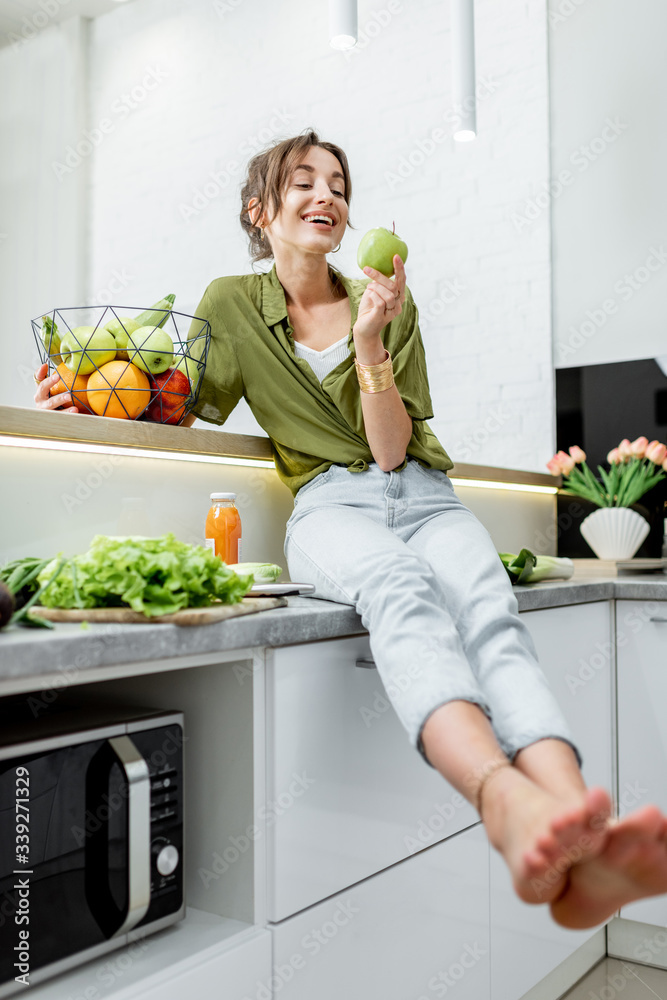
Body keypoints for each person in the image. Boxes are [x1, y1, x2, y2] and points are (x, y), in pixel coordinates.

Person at [34, 128, 667, 929]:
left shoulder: (384, 300)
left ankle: (583, 834)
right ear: (259, 211)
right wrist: (78, 395)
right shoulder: (231, 302)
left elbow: (391, 446)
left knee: (486, 608)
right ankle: (505, 803)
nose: (325, 194)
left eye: (336, 182)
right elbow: (175, 410)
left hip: (423, 493)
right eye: (302, 181)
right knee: (399, 587)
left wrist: (369, 337)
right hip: (329, 506)